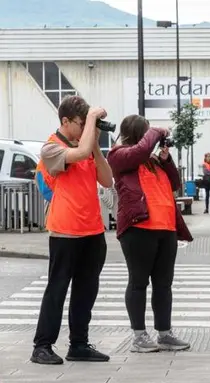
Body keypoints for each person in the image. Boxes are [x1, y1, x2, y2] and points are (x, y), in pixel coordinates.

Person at [30, 95, 114, 365]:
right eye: (81, 122)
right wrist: (91, 122)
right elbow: (76, 155)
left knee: (86, 290)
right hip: (65, 231)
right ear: (66, 122)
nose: (85, 127)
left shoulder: (86, 146)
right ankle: (42, 346)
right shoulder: (51, 148)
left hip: (92, 229)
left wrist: (96, 144)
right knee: (57, 288)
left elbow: (107, 178)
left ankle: (79, 343)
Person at [107, 115, 193, 353]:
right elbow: (139, 151)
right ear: (138, 135)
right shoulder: (119, 155)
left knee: (164, 284)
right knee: (138, 282)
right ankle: (139, 336)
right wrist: (156, 131)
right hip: (138, 229)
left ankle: (164, 333)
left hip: (166, 229)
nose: (151, 141)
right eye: (146, 134)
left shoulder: (153, 161)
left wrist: (166, 160)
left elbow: (175, 183)